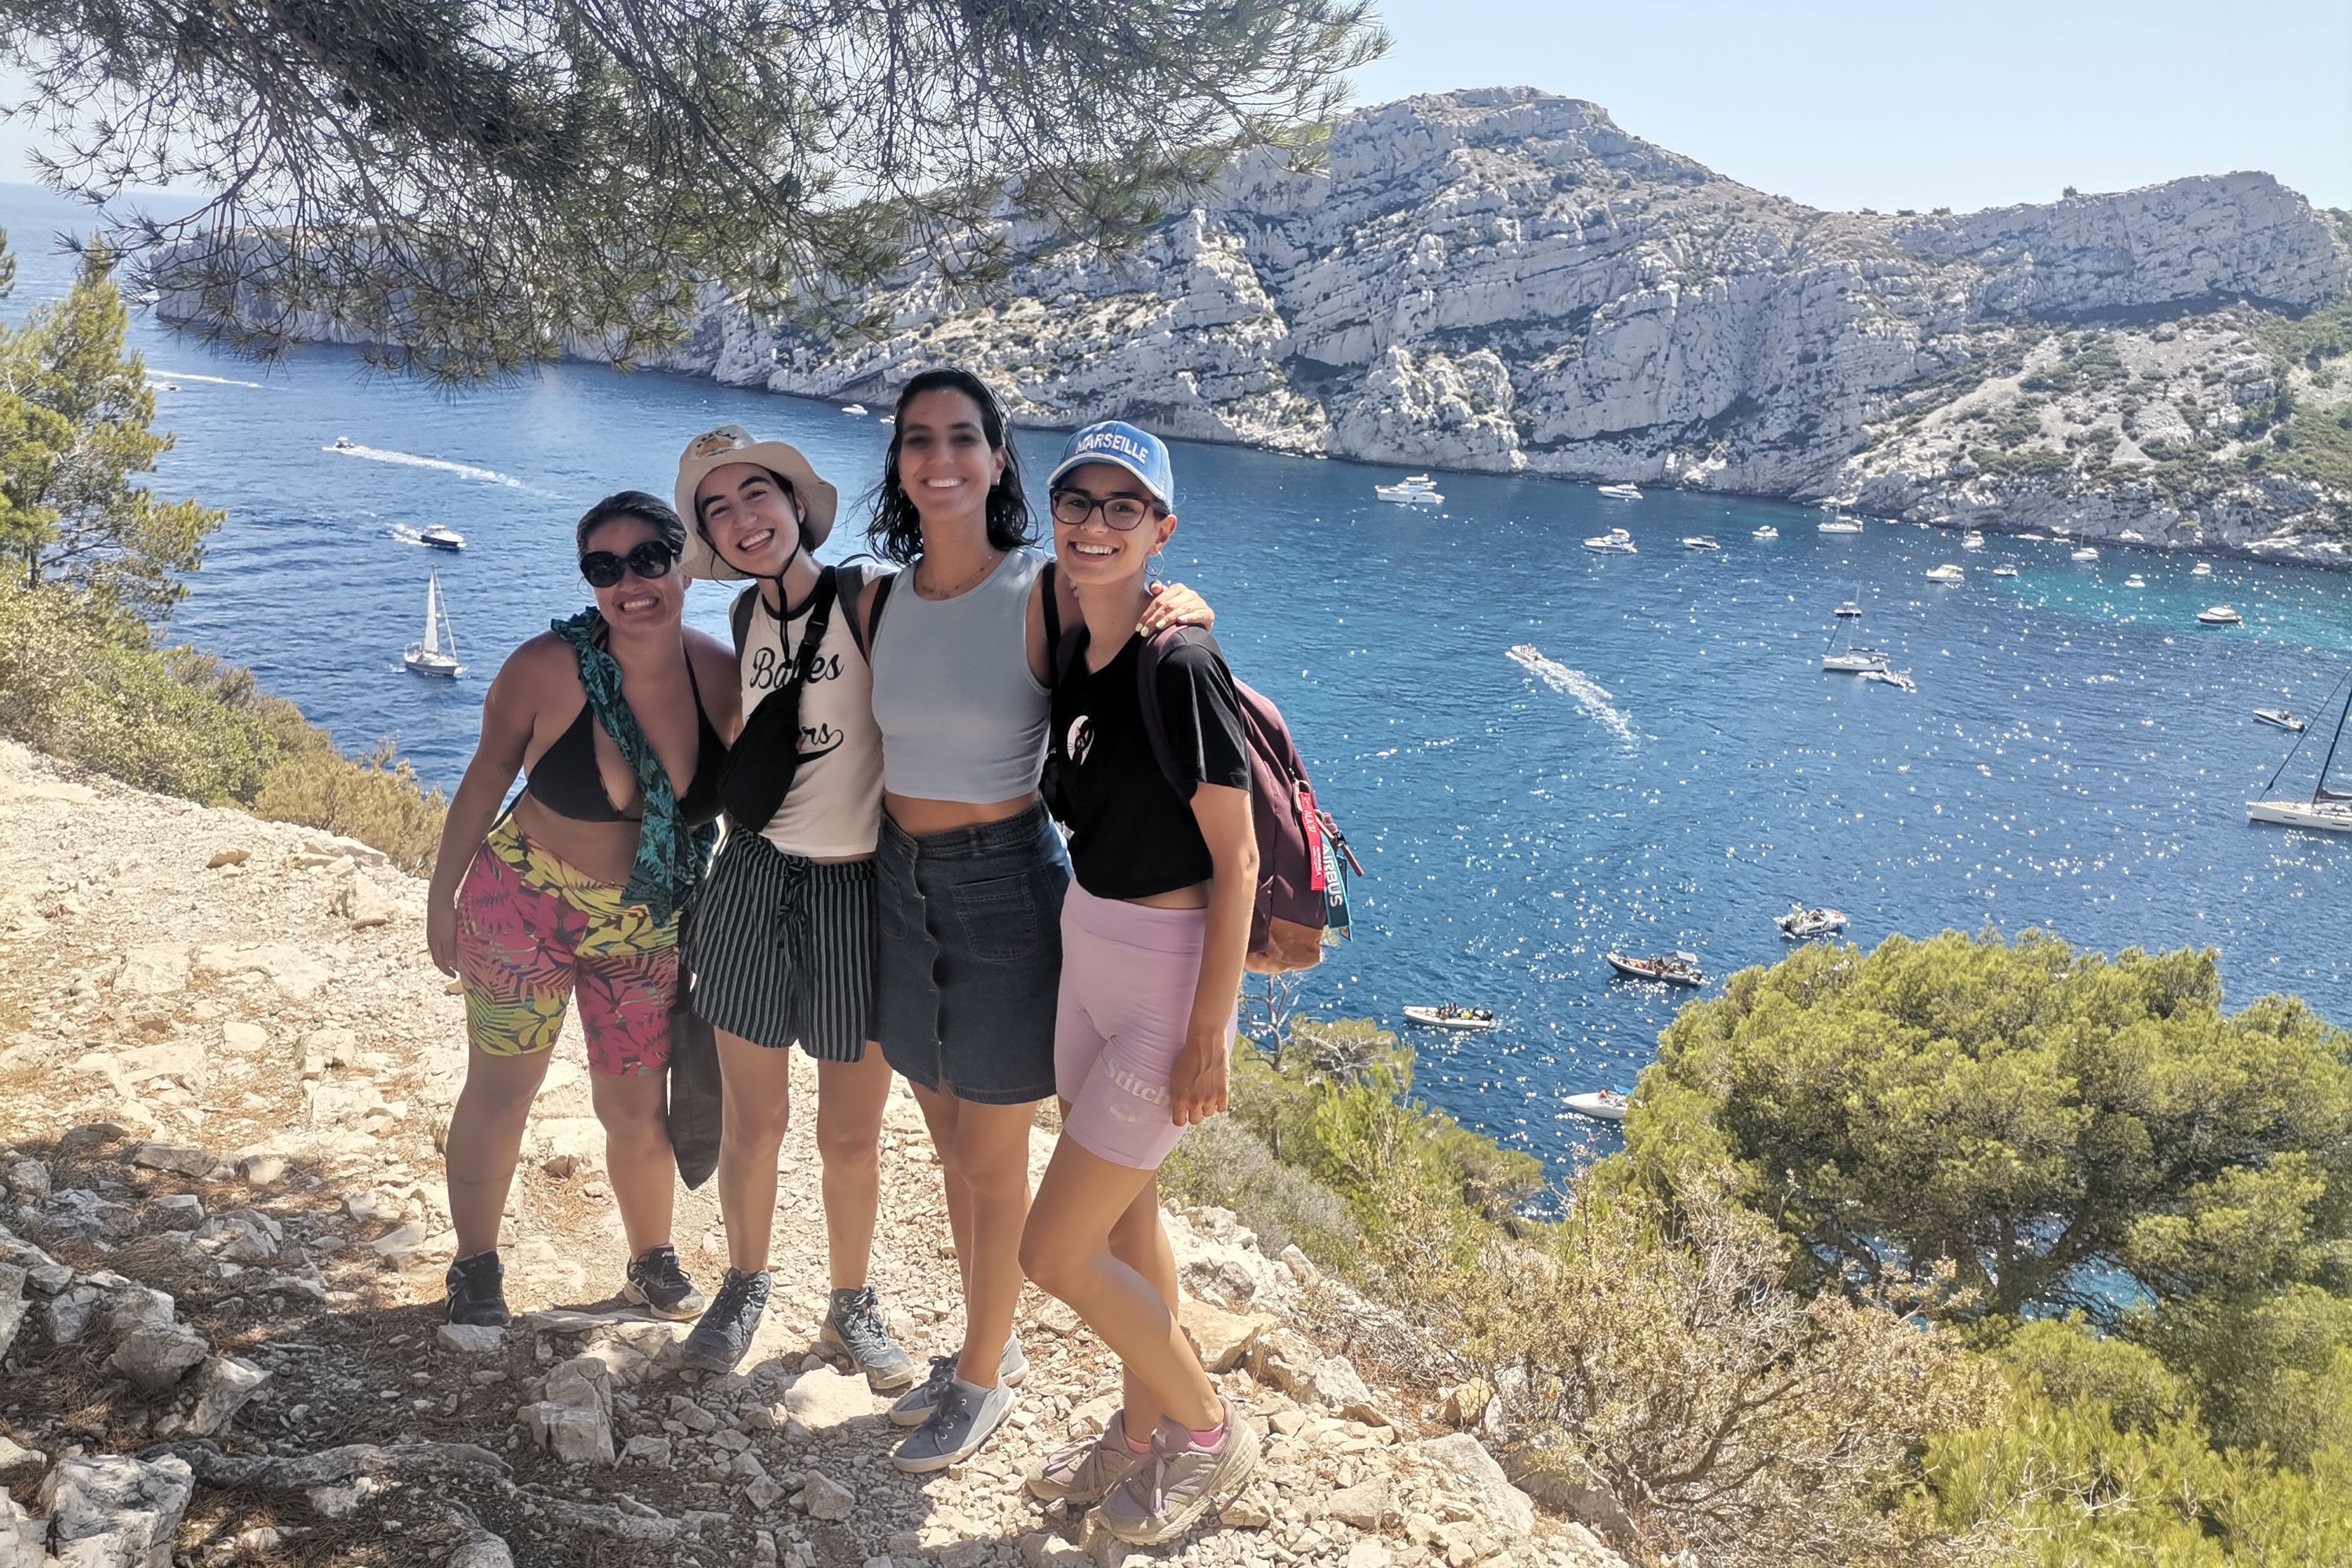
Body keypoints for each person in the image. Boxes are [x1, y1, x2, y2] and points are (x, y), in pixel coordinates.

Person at [861, 370, 1209, 1473]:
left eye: (964, 438)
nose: (941, 458)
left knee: (997, 1157)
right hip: (898, 883)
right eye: (919, 440)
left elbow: (1136, 606)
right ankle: (986, 1354)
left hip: (1007, 884)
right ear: (900, 463)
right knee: (955, 1150)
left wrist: (1190, 601)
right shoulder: (877, 596)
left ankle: (982, 1375)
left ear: (1000, 459)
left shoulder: (1044, 583)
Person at [1016, 423, 1260, 1542]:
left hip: (1163, 983)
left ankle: (1209, 1431)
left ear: (1162, 530)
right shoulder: (1076, 640)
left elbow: (1238, 858)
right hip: (1088, 951)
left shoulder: (1183, 662)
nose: (1097, 524)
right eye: (1080, 501)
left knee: (1052, 1250)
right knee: (1124, 1227)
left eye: (1127, 508)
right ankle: (1141, 1426)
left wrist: (1212, 1030)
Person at [425, 492, 735, 1327]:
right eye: (604, 567)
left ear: (685, 562)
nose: (629, 581)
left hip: (645, 925)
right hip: (519, 904)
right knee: (501, 1090)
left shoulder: (722, 676)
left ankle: (651, 1261)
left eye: (648, 558)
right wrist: (440, 895)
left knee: (636, 1106)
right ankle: (475, 1267)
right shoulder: (544, 669)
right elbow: (486, 778)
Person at [665, 424, 915, 1388]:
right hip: (758, 874)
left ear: (796, 502)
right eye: (716, 509)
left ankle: (852, 1305)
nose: (740, 518)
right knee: (752, 1121)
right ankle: (745, 1282)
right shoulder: (740, 620)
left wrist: (1157, 600)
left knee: (850, 1131)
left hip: (860, 885)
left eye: (755, 494)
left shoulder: (871, 598)